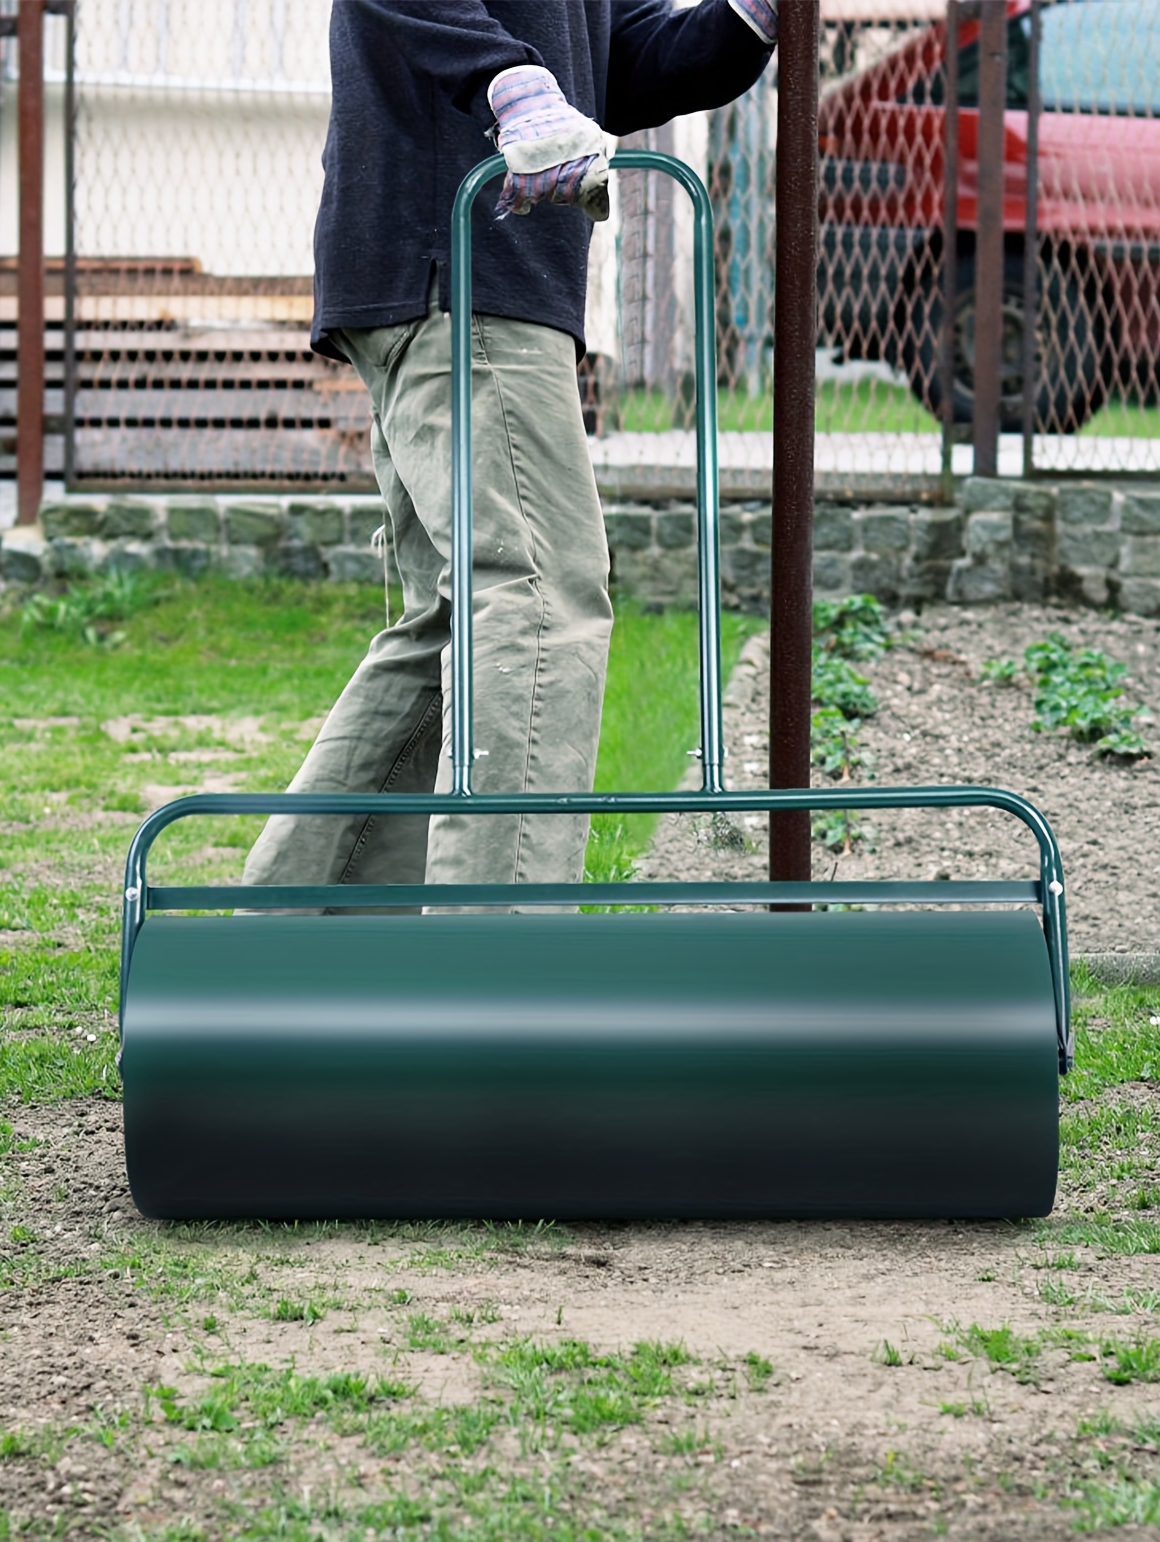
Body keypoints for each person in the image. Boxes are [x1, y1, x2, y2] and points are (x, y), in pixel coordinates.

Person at [242, 0, 777, 906]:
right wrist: (508, 78)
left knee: (460, 620)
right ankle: (498, 956)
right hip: (455, 264)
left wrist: (744, 21)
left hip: (481, 277)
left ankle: (286, 946)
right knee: (536, 598)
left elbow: (629, 57)